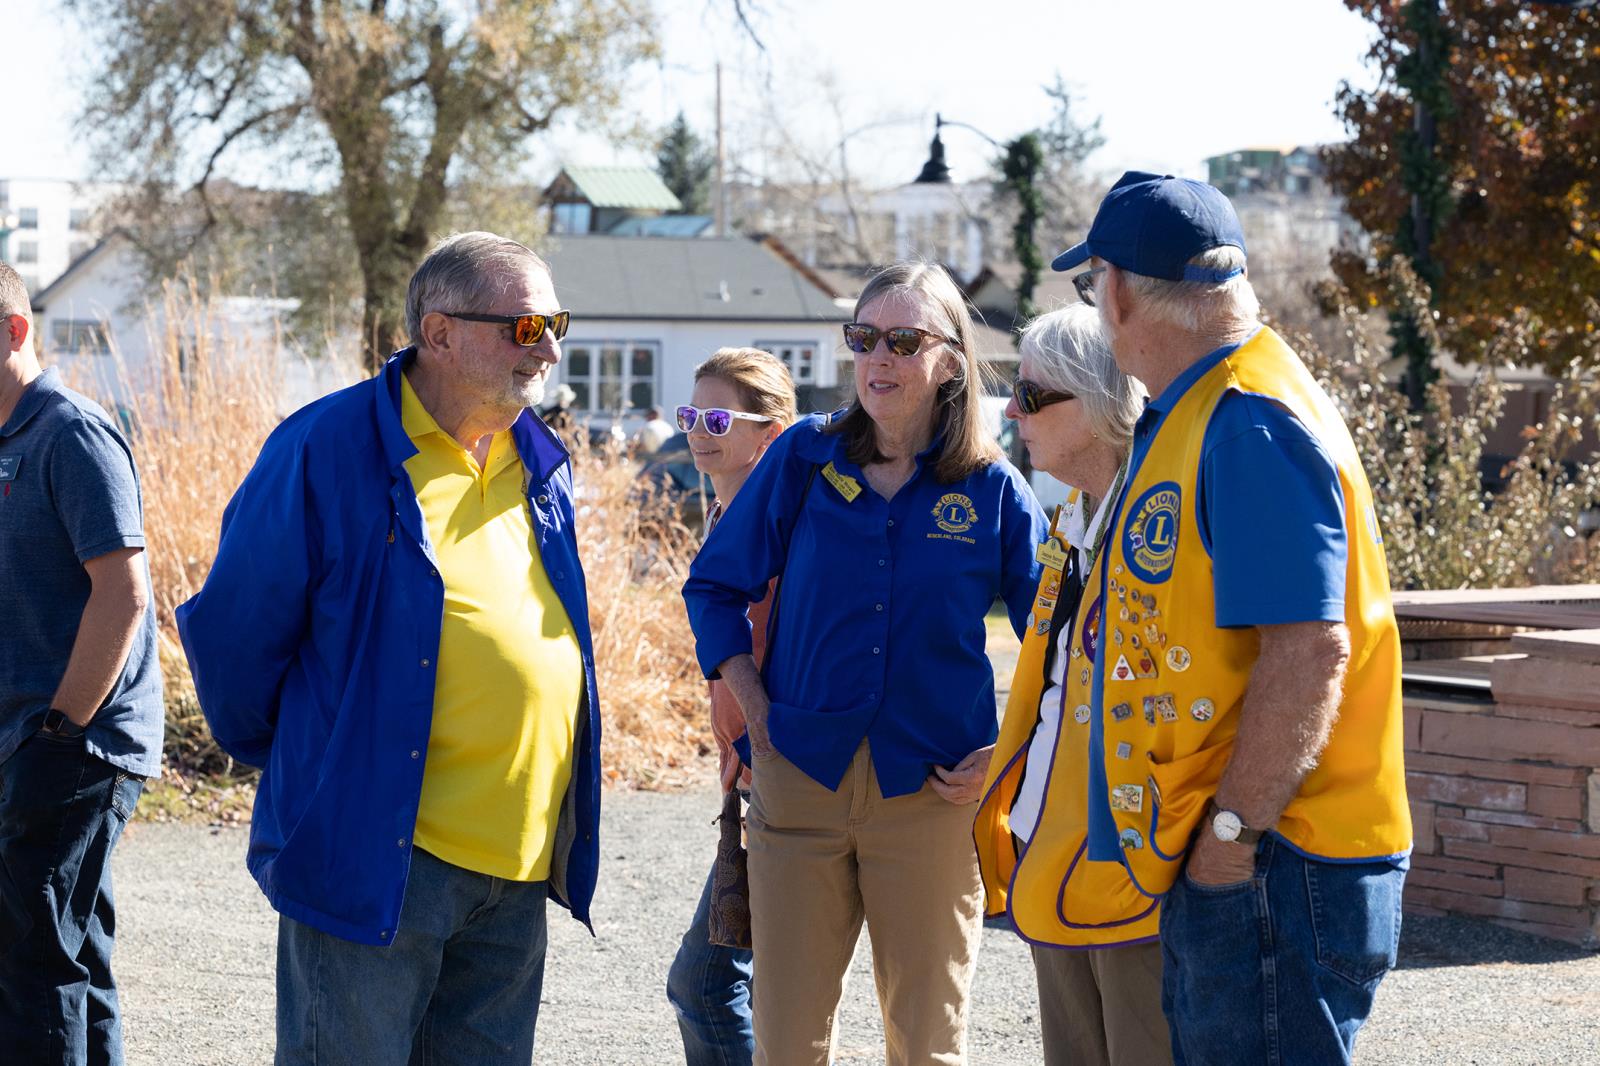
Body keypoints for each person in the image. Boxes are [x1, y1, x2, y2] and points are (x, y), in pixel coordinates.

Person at [176, 232, 602, 1065]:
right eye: (524, 326)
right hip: (378, 853)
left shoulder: (542, 463)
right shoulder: (325, 448)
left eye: (558, 322)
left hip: (516, 866)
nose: (549, 347)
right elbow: (235, 641)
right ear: (437, 334)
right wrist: (324, 762)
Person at [1049, 173, 1411, 1065]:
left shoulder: (1246, 420)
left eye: (1092, 287)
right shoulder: (1211, 406)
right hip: (1250, 854)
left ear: (1120, 288)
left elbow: (1309, 650)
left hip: (1272, 858)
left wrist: (1228, 840)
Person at [683, 262, 1048, 1066]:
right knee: (786, 1039)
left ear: (949, 357)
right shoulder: (805, 461)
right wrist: (751, 696)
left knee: (926, 1042)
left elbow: (1060, 646)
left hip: (931, 794)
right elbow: (713, 586)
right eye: (863, 337)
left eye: (903, 340)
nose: (878, 356)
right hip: (798, 780)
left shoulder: (991, 491)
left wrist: (1006, 755)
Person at [974, 304, 1169, 1066]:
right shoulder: (1074, 520)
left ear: (1100, 401)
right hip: (1050, 848)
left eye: (1032, 396)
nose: (1013, 412)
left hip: (1128, 858)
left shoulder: (1156, 525)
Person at [0, 262, 162, 1065]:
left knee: (32, 958)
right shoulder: (5, 439)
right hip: (29, 740)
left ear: (15, 331)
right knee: (68, 948)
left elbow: (124, 594)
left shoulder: (71, 431)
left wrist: (61, 731)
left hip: (77, 743)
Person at [665, 348, 797, 1066]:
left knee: (709, 985)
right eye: (691, 415)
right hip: (748, 785)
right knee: (736, 984)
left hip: (777, 781)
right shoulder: (723, 513)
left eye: (718, 418)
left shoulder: (781, 530)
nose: (697, 432)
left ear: (769, 435)